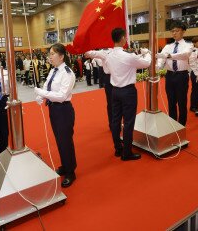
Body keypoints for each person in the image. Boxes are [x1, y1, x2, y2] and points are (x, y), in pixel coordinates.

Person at [85, 28, 151, 161]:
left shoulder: (107, 54)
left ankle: (118, 148)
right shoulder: (128, 56)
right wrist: (147, 52)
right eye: (125, 37)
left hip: (115, 91)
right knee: (128, 121)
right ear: (122, 39)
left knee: (115, 121)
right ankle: (127, 152)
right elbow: (147, 63)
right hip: (128, 91)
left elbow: (89, 53)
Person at [35, 43, 77, 188]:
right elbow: (47, 86)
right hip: (53, 109)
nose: (50, 57)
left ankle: (71, 172)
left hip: (63, 110)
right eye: (50, 54)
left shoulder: (67, 73)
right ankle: (65, 166)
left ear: (61, 56)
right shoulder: (53, 71)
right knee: (59, 140)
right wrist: (41, 96)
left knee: (65, 141)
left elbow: (61, 96)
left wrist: (43, 93)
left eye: (52, 54)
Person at [156, 21, 192, 126]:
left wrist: (169, 56)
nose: (174, 33)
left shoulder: (188, 45)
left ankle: (181, 124)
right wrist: (156, 67)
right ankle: (172, 123)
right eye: (172, 31)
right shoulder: (168, 46)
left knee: (182, 101)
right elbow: (161, 60)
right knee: (171, 101)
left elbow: (185, 55)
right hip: (170, 75)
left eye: (177, 31)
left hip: (181, 75)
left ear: (183, 31)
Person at [189, 37, 198, 113]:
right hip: (196, 71)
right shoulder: (193, 51)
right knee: (196, 90)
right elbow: (192, 62)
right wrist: (196, 73)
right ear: (194, 43)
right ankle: (193, 106)